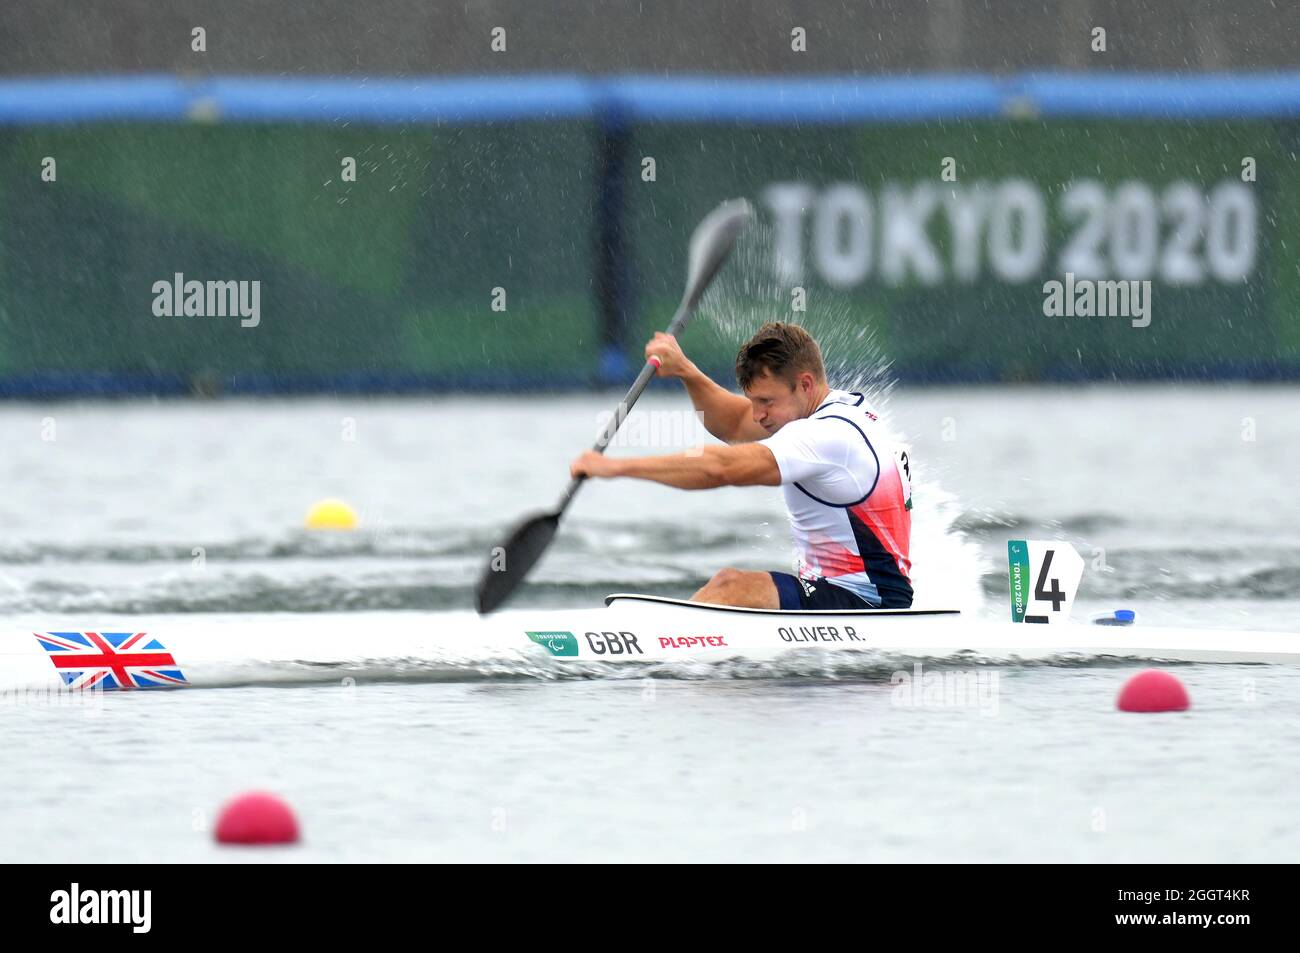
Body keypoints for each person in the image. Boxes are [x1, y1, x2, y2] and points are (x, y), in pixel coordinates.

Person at [569, 322, 913, 610]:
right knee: (733, 587)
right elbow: (734, 424)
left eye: (766, 401)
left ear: (805, 384)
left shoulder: (828, 436)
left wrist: (615, 467)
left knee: (731, 586)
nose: (758, 414)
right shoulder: (837, 409)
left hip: (868, 604)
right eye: (754, 400)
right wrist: (686, 370)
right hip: (844, 595)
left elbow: (721, 468)